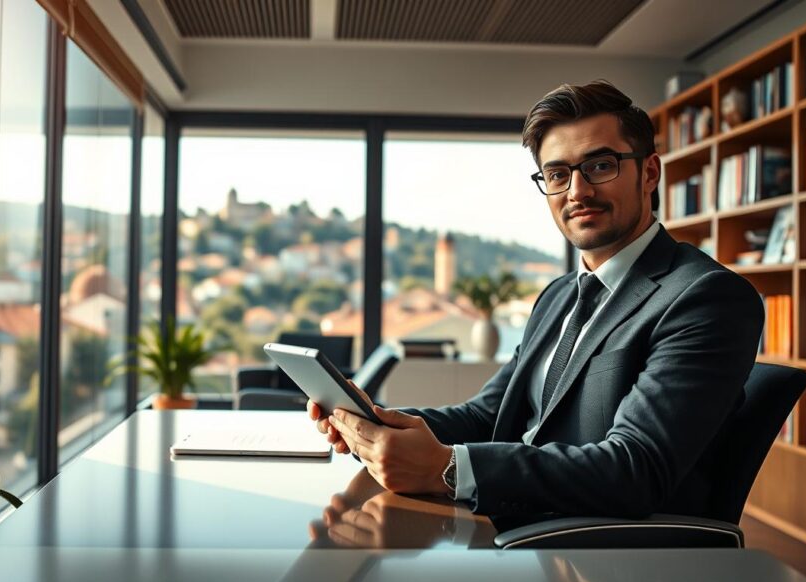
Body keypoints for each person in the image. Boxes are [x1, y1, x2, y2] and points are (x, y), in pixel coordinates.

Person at [308, 79, 764, 520]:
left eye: (600, 166)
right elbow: (488, 415)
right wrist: (376, 423)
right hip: (514, 521)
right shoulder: (559, 296)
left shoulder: (706, 297)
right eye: (557, 174)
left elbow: (635, 469)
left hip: (600, 549)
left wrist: (446, 469)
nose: (577, 191)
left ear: (649, 172)